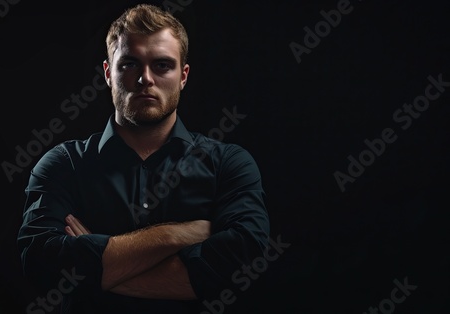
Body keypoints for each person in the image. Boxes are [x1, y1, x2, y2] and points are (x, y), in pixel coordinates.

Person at [17, 3, 270, 313]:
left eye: (162, 65)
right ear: (109, 74)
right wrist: (179, 234)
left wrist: (97, 267)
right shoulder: (62, 165)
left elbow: (245, 262)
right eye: (130, 64)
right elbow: (39, 262)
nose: (145, 79)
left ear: (184, 76)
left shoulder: (229, 164)